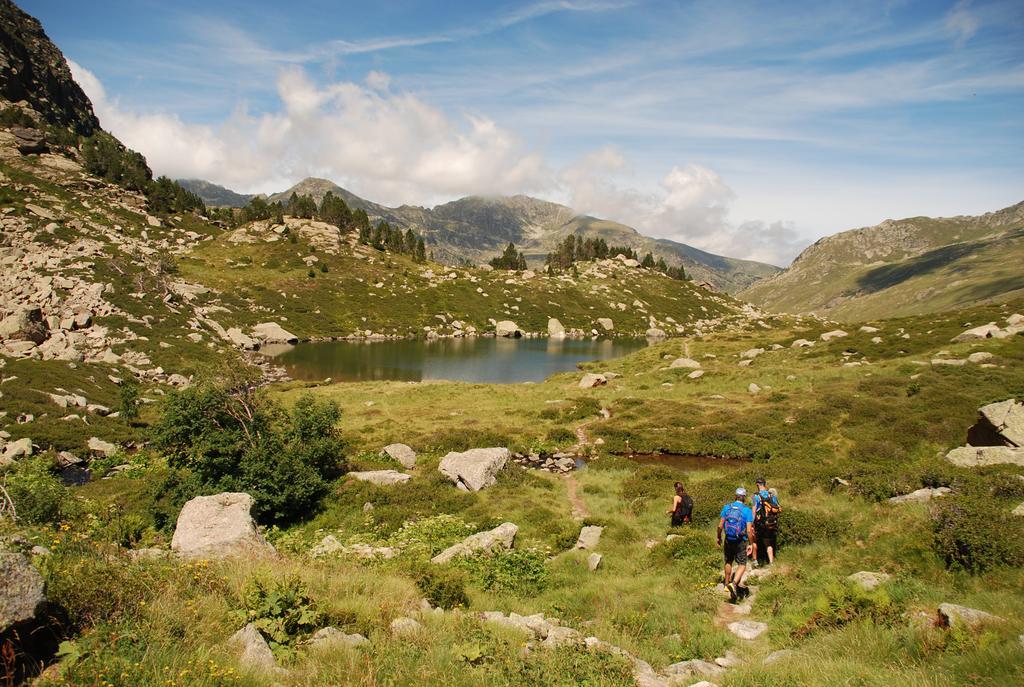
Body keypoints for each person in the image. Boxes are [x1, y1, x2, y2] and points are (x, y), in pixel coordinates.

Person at [717, 487, 755, 602]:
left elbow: (720, 526)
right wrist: (751, 543)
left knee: (728, 561)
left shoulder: (727, 508)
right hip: (740, 541)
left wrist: (719, 537)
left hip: (728, 539)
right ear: (744, 497)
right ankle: (734, 584)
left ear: (735, 496)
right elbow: (749, 530)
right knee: (742, 564)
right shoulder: (747, 511)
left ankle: (726, 585)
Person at [752, 478, 781, 566]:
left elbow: (753, 512)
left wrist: (752, 525)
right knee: (768, 543)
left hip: (760, 524)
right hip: (771, 523)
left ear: (757, 484)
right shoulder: (771, 495)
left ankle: (755, 561)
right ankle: (771, 562)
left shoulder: (756, 496)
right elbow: (777, 508)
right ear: (764, 484)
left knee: (754, 541)